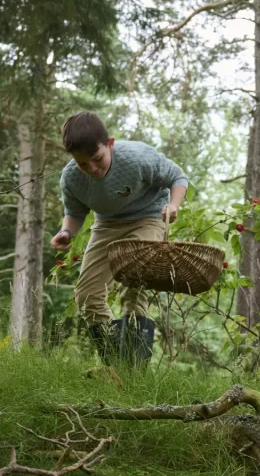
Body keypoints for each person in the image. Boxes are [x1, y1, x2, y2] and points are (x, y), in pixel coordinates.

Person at [50, 112, 188, 365]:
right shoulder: (71, 178)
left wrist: (174, 205)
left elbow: (177, 177)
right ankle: (115, 365)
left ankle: (134, 367)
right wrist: (66, 232)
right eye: (82, 164)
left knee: (135, 280)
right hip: (107, 225)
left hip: (148, 217)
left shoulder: (136, 157)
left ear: (110, 143)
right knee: (87, 294)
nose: (92, 169)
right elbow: (74, 212)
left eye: (97, 159)